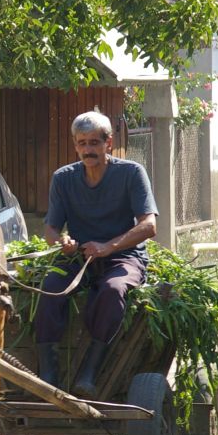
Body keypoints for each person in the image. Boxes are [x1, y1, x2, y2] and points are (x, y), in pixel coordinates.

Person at [34, 110, 158, 398]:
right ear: (75, 145)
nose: (88, 150)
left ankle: (90, 369)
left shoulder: (131, 173)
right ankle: (48, 372)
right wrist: (61, 242)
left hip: (123, 256)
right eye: (82, 143)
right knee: (51, 287)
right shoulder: (63, 178)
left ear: (109, 143)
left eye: (94, 143)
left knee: (113, 289)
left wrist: (108, 247)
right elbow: (51, 228)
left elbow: (149, 226)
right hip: (79, 257)